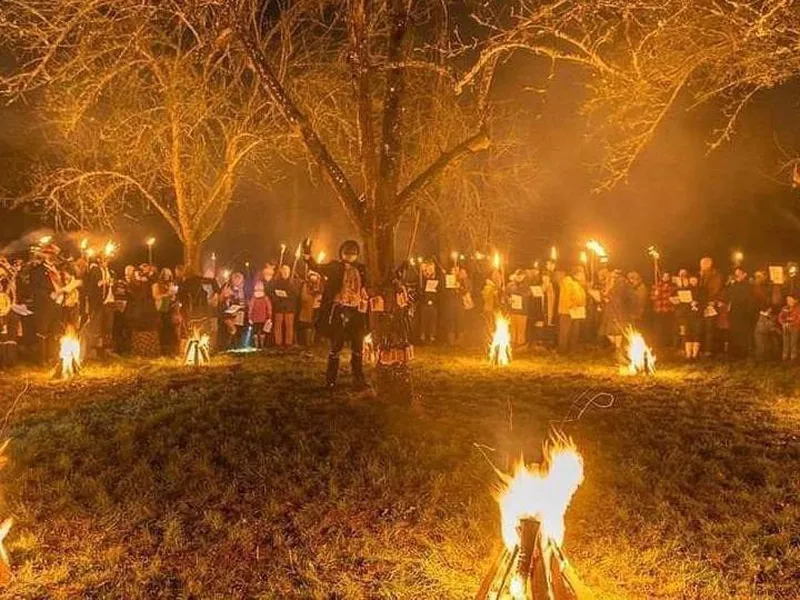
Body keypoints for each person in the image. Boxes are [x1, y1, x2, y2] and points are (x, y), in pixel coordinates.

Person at [304, 239, 368, 389]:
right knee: (336, 345)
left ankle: (358, 379)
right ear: (342, 253)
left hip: (357, 311)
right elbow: (316, 267)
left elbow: (374, 279)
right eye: (347, 253)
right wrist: (307, 255)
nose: (350, 256)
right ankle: (330, 380)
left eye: (353, 254)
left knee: (358, 346)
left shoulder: (362, 269)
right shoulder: (335, 267)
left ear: (357, 255)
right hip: (339, 310)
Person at [84, 253, 117, 360]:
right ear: (99, 260)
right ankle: (94, 350)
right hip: (99, 302)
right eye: (104, 260)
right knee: (96, 327)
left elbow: (113, 284)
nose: (106, 262)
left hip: (110, 302)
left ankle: (107, 350)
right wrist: (101, 283)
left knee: (108, 327)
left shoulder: (111, 272)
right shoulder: (95, 270)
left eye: (107, 260)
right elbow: (90, 285)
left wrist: (112, 284)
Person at [726, 266, 757, 358]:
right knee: (734, 332)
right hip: (734, 312)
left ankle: (744, 352)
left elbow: (748, 299)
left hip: (744, 312)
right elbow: (728, 295)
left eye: (739, 274)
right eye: (736, 274)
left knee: (743, 333)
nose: (737, 276)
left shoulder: (748, 285)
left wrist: (749, 312)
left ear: (744, 274)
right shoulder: (733, 285)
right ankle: (735, 352)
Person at [557, 266, 587, 354]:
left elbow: (581, 296)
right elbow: (566, 295)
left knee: (575, 331)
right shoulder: (567, 281)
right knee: (565, 332)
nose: (583, 275)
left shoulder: (577, 283)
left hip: (577, 311)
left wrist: (582, 305)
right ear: (576, 273)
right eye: (582, 273)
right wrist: (572, 305)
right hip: (567, 311)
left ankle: (572, 350)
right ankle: (562, 351)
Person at [152, 267, 179, 356]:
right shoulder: (157, 285)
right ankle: (163, 350)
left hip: (170, 308)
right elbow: (156, 296)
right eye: (165, 274)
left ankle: (172, 350)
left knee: (171, 329)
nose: (167, 276)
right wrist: (166, 294)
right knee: (163, 329)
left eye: (169, 274)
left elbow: (174, 296)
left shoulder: (172, 284)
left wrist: (173, 296)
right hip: (161, 309)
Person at [699, 257, 723, 356]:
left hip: (710, 304)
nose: (702, 265)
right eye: (701, 263)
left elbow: (715, 289)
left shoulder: (716, 276)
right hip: (701, 304)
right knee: (701, 327)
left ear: (710, 264)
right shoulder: (700, 275)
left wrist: (711, 301)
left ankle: (709, 349)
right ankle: (701, 348)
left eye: (704, 263)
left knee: (710, 327)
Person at [272, 264, 299, 347]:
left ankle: (288, 343)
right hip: (279, 306)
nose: (285, 273)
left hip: (289, 307)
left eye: (286, 271)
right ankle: (278, 342)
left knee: (289, 326)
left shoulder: (293, 282)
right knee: (278, 325)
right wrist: (277, 296)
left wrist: (287, 295)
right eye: (283, 271)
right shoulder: (277, 281)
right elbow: (273, 292)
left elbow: (296, 294)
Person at [651, 271, 677, 349]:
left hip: (668, 310)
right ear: (662, 277)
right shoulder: (656, 285)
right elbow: (652, 297)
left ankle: (668, 344)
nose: (666, 278)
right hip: (658, 310)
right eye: (664, 276)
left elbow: (672, 296)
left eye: (667, 276)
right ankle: (659, 344)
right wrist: (656, 294)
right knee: (659, 329)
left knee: (668, 328)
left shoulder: (673, 286)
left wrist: (666, 296)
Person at [418, 260, 441, 344]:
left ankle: (432, 337)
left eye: (432, 268)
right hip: (424, 303)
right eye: (429, 268)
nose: (430, 270)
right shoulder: (422, 278)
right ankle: (423, 336)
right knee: (424, 321)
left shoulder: (437, 278)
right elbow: (420, 290)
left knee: (432, 321)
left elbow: (440, 290)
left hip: (434, 303)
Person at [298, 270, 323, 347]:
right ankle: (307, 342)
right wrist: (312, 296)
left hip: (317, 307)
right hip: (308, 307)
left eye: (316, 275)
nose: (314, 277)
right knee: (308, 324)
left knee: (315, 324)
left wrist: (320, 297)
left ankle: (313, 341)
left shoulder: (320, 284)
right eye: (313, 275)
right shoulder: (306, 284)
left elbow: (322, 293)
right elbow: (304, 296)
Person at [507, 269, 530, 348]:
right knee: (512, 330)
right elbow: (506, 295)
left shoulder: (527, 286)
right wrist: (508, 299)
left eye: (521, 275)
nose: (519, 277)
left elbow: (527, 294)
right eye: (517, 275)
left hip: (522, 311)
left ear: (524, 276)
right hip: (513, 311)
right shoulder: (510, 285)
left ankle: (520, 347)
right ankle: (512, 346)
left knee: (521, 331)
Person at [248, 281, 272, 350]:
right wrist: (249, 318)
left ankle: (260, 346)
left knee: (260, 332)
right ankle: (258, 346)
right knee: (257, 332)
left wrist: (269, 317)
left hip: (261, 318)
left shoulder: (264, 298)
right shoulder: (255, 298)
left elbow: (269, 308)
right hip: (258, 319)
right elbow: (251, 308)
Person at [778, 294, 800, 361]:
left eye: (790, 299)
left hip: (795, 328)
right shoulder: (784, 308)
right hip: (786, 327)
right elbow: (780, 317)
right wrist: (783, 323)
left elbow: (799, 319)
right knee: (786, 342)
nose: (788, 301)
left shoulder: (798, 308)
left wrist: (792, 323)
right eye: (787, 300)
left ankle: (793, 356)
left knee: (793, 342)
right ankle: (785, 356)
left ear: (795, 300)